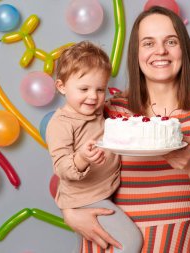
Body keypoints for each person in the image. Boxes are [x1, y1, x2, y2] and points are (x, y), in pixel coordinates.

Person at [61, 6, 190, 253]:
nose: (160, 51)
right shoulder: (109, 111)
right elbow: (70, 169)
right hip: (113, 244)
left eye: (171, 41)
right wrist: (69, 212)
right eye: (148, 43)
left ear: (183, 49)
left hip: (175, 244)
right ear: (136, 53)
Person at [46, 41, 143, 253]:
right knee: (130, 242)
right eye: (84, 89)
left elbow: (116, 102)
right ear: (62, 87)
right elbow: (61, 167)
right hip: (86, 199)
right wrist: (82, 158)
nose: (93, 96)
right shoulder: (60, 124)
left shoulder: (98, 108)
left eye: (100, 89)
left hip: (102, 192)